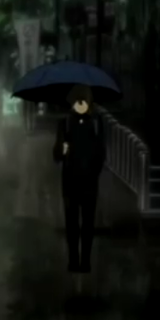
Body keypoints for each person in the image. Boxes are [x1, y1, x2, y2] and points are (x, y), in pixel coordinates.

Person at [53, 84, 105, 273]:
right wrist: (62, 148)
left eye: (83, 101)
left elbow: (101, 154)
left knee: (88, 224)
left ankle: (86, 262)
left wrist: (93, 173)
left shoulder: (97, 123)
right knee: (72, 225)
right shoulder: (65, 123)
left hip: (89, 183)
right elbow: (56, 155)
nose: (80, 105)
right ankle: (73, 261)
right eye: (77, 101)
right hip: (70, 183)